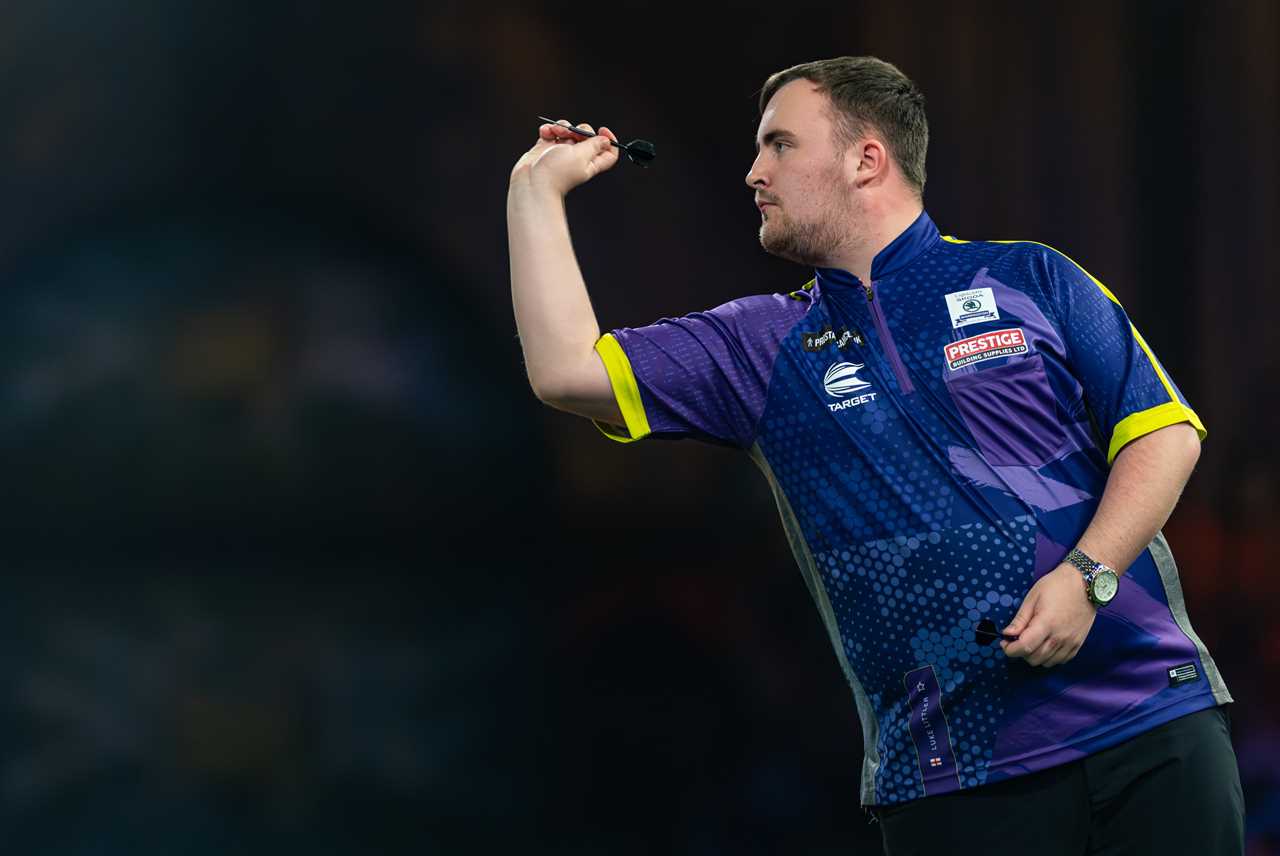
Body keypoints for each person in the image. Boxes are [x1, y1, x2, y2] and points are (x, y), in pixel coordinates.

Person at [506, 56, 1244, 854]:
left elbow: (1163, 433)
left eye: (780, 144)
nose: (754, 171)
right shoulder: (759, 346)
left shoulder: (1031, 275)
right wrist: (534, 194)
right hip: (951, 780)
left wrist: (1087, 575)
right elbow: (565, 371)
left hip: (1152, 728)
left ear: (866, 159)